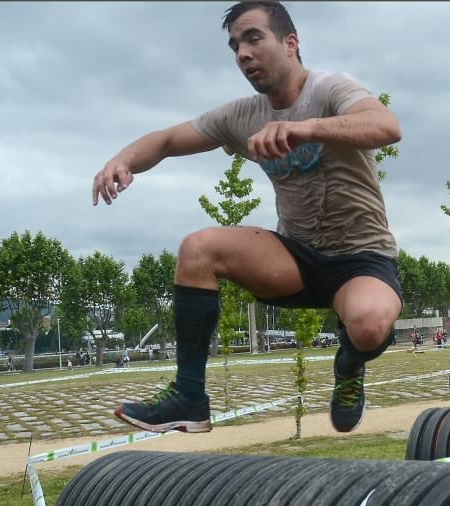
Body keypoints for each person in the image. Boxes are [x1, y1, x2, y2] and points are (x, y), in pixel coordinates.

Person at [92, 1, 402, 434]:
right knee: (197, 248)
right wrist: (121, 160)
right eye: (235, 45)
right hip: (294, 256)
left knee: (368, 325)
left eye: (254, 38)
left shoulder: (330, 90)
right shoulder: (242, 115)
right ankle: (190, 397)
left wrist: (306, 128)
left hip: (361, 258)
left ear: (290, 43)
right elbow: (165, 140)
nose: (242, 53)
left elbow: (387, 125)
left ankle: (349, 366)